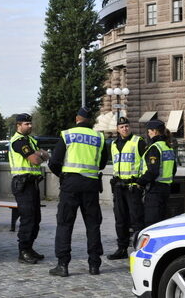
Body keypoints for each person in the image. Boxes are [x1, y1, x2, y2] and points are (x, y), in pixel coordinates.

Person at [48, 107, 108, 277]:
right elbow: (102, 163)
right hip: (91, 184)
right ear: (91, 121)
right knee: (93, 224)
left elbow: (54, 162)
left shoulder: (67, 134)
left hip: (70, 185)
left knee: (65, 224)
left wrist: (63, 176)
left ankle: (63, 265)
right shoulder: (99, 137)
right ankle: (94, 265)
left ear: (77, 118)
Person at [8, 113, 50, 265]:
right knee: (28, 218)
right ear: (18, 125)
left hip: (32, 183)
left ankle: (30, 248)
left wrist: (40, 154)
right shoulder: (18, 141)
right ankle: (23, 251)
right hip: (22, 183)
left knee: (35, 218)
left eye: (30, 123)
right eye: (26, 124)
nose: (30, 126)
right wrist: (39, 154)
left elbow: (45, 155)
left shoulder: (31, 140)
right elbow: (36, 160)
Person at [106, 116, 146, 260]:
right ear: (117, 129)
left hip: (133, 186)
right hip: (118, 187)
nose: (125, 129)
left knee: (137, 219)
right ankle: (122, 248)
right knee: (120, 219)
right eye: (122, 127)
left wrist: (141, 182)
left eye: (127, 126)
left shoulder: (138, 142)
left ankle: (140, 249)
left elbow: (145, 163)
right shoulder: (113, 144)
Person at [137, 119, 177, 228]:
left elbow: (153, 171)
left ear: (154, 131)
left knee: (151, 223)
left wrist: (140, 182)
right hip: (166, 188)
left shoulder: (155, 148)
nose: (148, 133)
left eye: (149, 130)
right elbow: (173, 169)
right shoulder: (168, 146)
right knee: (162, 222)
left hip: (155, 189)